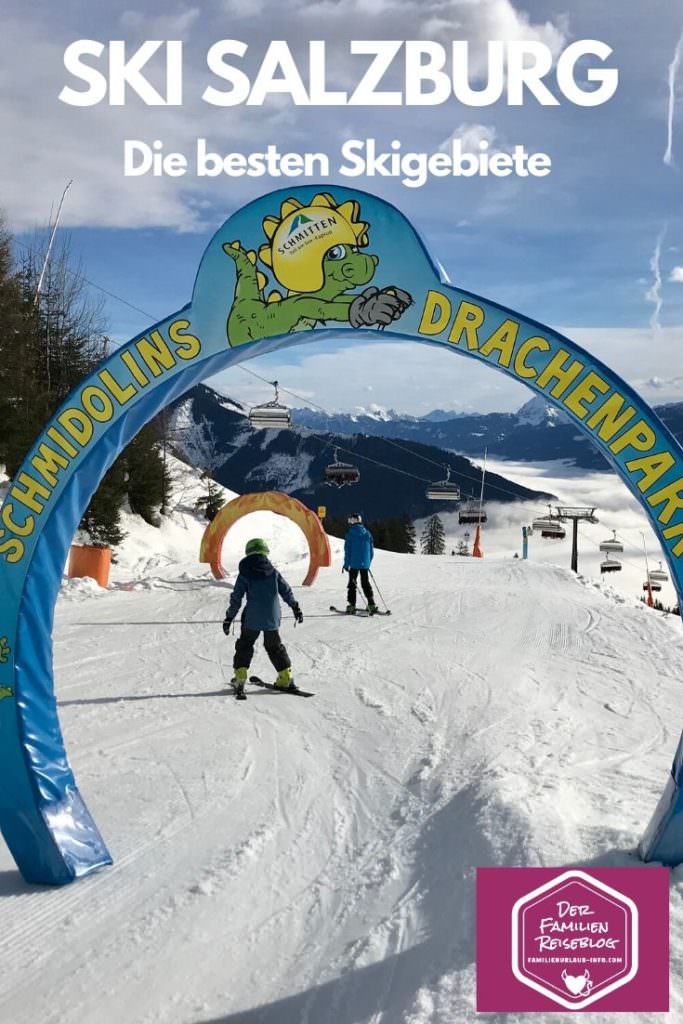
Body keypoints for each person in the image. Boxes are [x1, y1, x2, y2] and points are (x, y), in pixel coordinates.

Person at [223, 538, 303, 695]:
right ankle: (286, 677)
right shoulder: (273, 572)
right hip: (272, 617)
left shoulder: (245, 573)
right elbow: (286, 591)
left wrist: (229, 617)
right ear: (264, 553)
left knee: (245, 644)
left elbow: (236, 598)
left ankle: (240, 678)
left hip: (252, 617)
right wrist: (295, 607)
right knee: (275, 647)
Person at [343, 514, 378, 615]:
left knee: (352, 584)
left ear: (353, 522)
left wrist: (346, 564)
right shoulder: (367, 533)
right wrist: (367, 563)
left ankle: (352, 605)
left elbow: (347, 551)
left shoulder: (350, 534)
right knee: (365, 583)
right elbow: (371, 551)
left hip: (353, 563)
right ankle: (371, 603)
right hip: (365, 564)